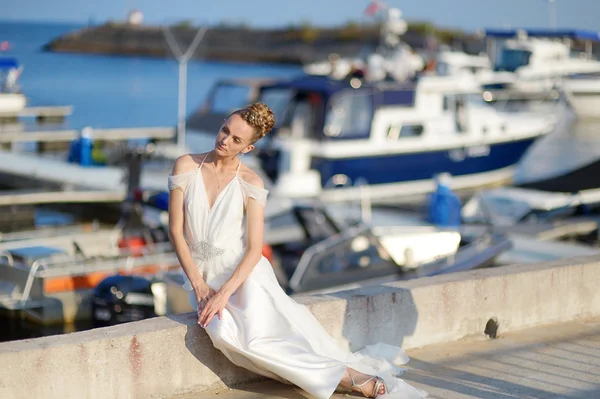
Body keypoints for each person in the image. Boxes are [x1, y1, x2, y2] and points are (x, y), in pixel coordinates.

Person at [168, 102, 427, 399]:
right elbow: (176, 231)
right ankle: (346, 377)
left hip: (243, 277)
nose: (225, 140)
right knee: (228, 336)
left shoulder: (251, 182)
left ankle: (352, 378)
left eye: (236, 139)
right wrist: (200, 287)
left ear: (249, 148)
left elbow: (254, 249)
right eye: (225, 130)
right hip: (202, 278)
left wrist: (224, 293)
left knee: (255, 342)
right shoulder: (186, 165)